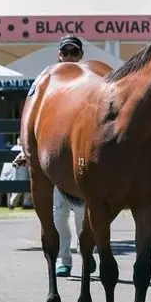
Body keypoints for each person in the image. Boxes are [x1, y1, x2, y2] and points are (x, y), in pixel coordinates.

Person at [52, 34, 96, 277]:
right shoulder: (50, 82)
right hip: (59, 158)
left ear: (81, 56)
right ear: (59, 55)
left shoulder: (90, 84)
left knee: (81, 212)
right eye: (65, 52)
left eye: (74, 53)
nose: (69, 56)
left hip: (81, 157)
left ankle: (85, 252)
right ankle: (63, 256)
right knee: (59, 213)